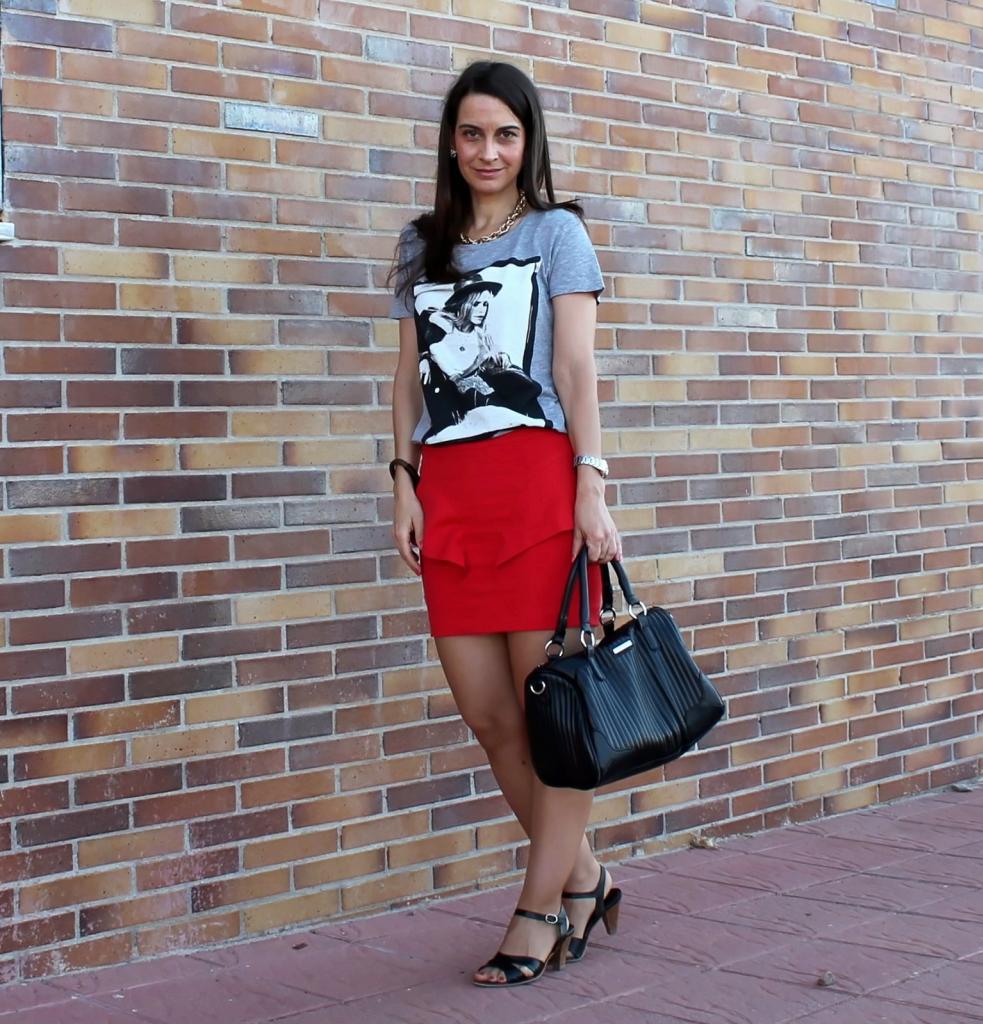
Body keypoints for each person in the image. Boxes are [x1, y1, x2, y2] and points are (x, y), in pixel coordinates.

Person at [388, 61, 623, 988]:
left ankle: (538, 912)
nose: (488, 151)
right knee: (490, 717)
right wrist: (403, 480)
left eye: (505, 135)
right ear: (451, 142)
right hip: (450, 493)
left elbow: (574, 370)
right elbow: (407, 377)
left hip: (535, 488)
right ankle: (587, 875)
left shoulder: (557, 234)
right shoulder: (421, 246)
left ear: (528, 142)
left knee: (550, 717)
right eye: (472, 133)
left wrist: (590, 485)